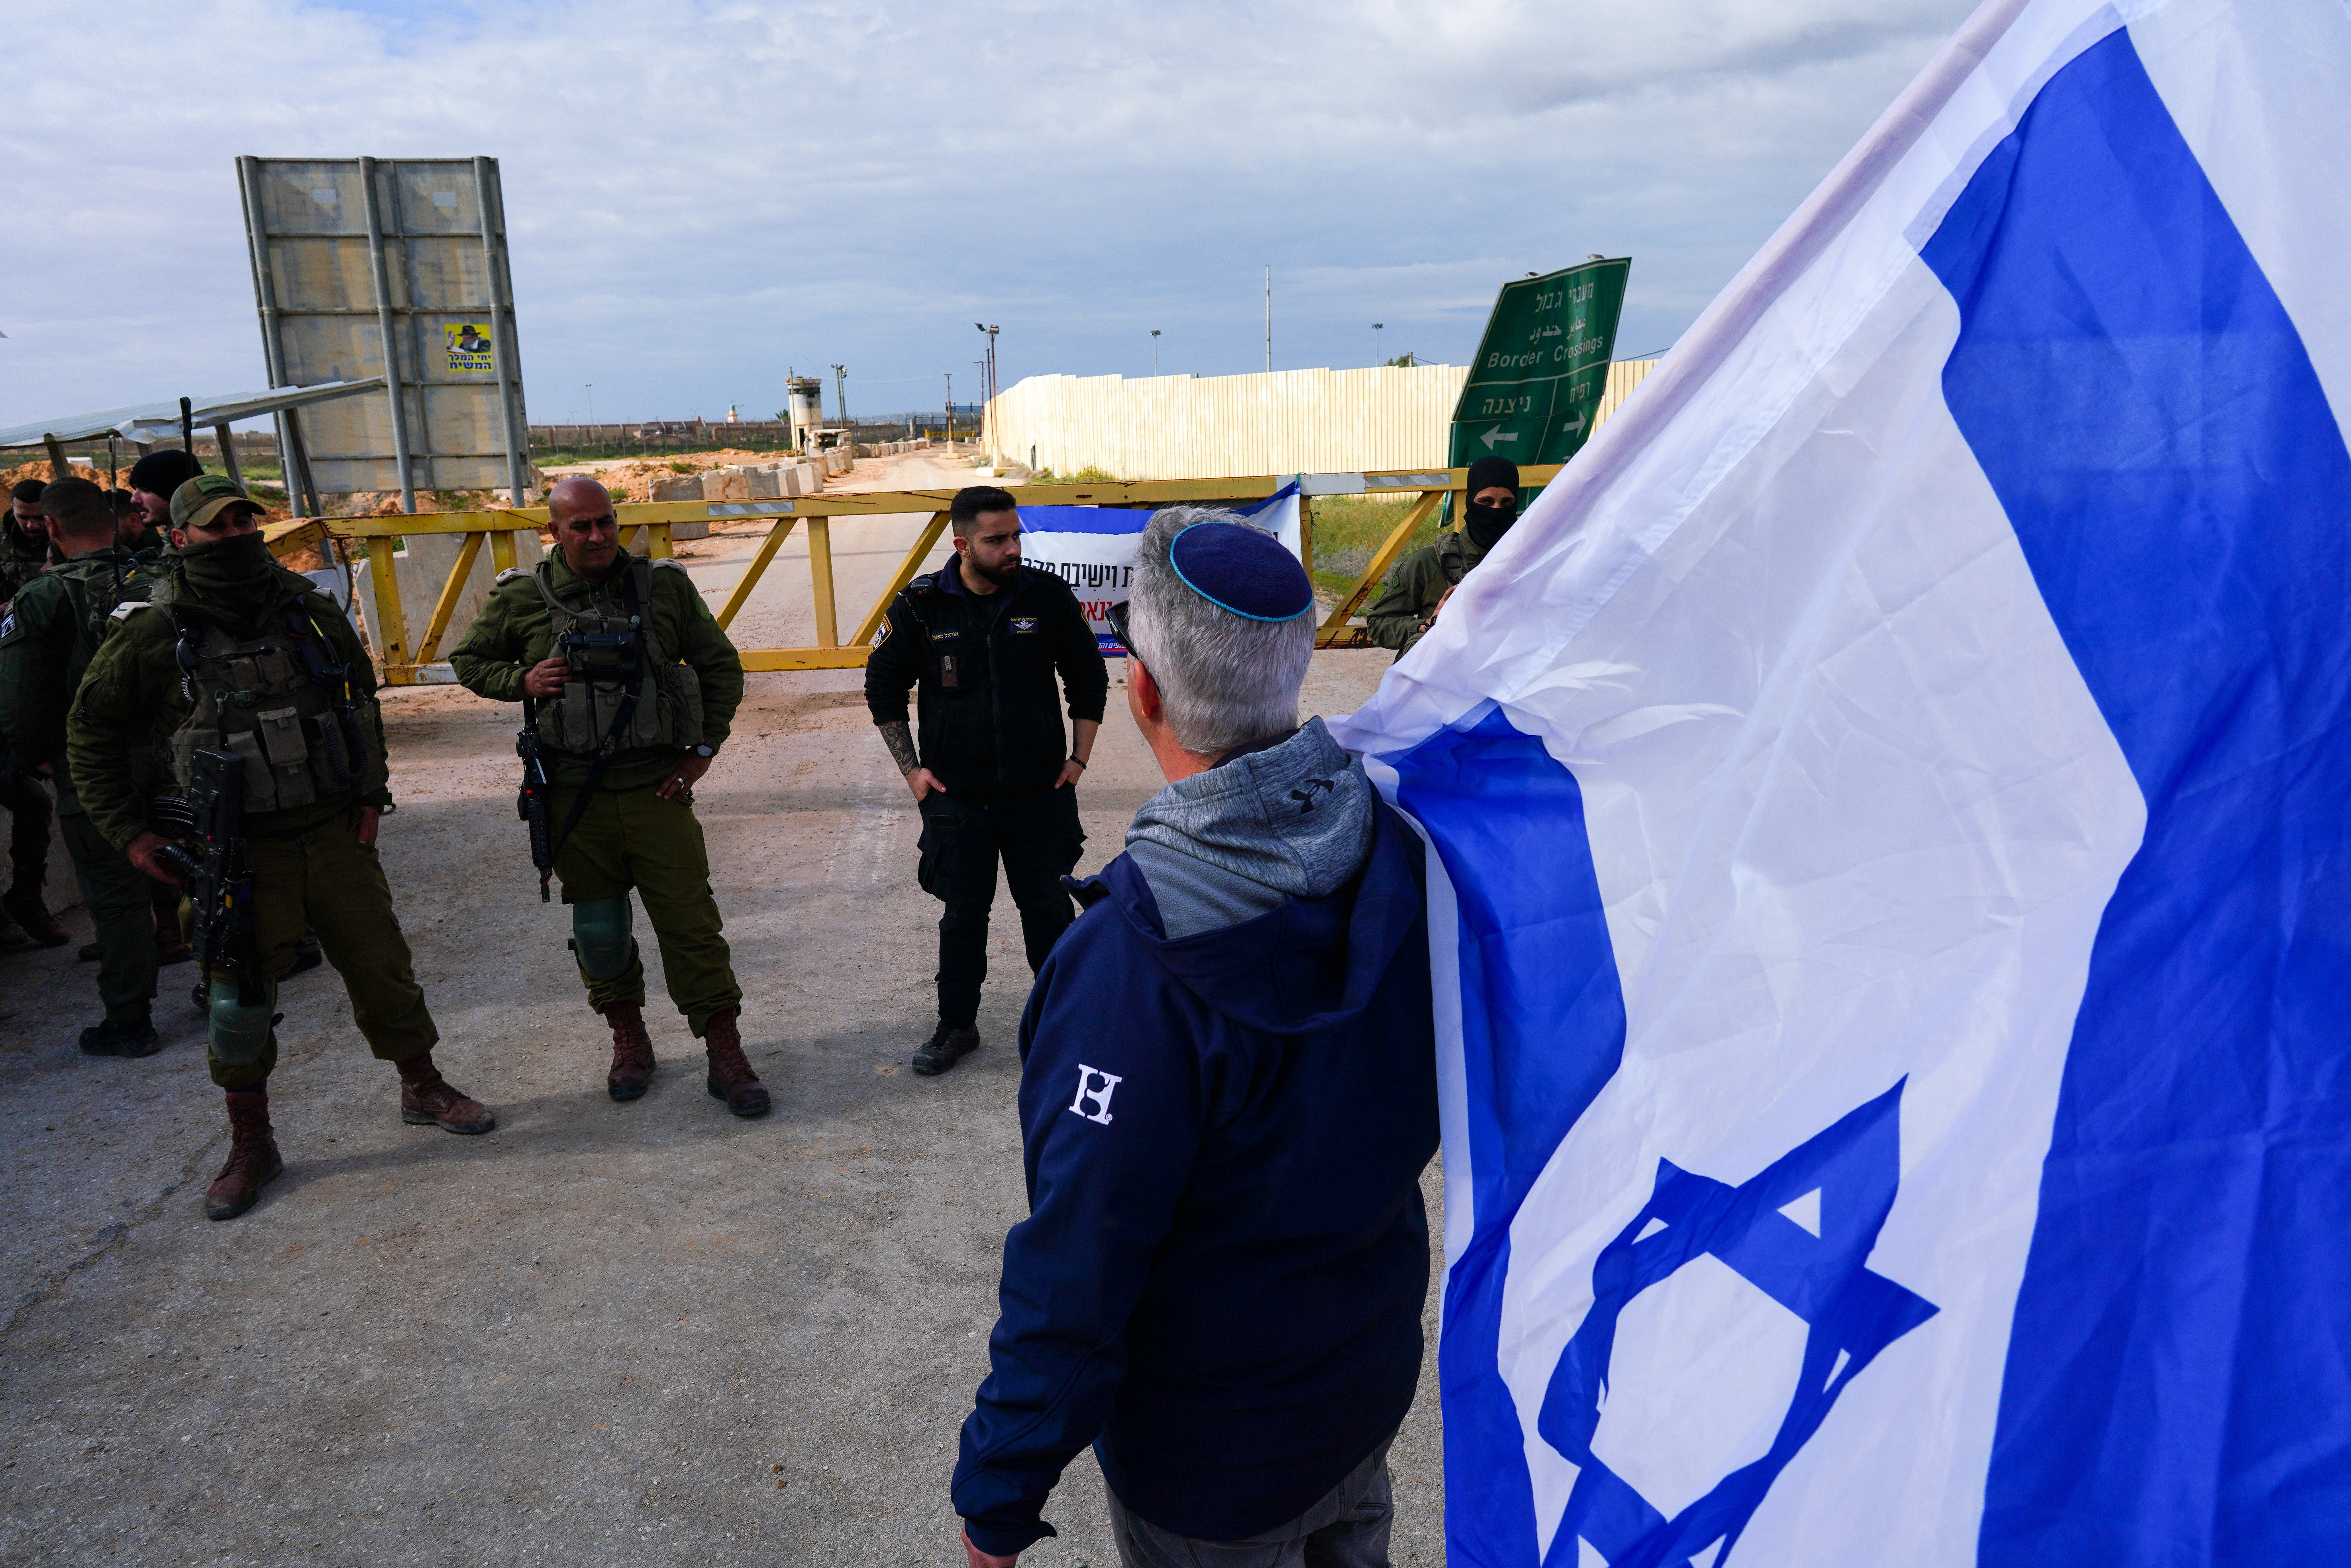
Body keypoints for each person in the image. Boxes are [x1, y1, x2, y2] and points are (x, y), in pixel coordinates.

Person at [950, 509, 1439, 1567]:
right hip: (1363, 1384)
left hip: (1211, 1461)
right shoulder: (1403, 849)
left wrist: (1000, 1485)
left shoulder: (1129, 964)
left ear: (1142, 692)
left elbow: (1079, 1261)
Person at [68, 475, 493, 1221]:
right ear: (179, 538)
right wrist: (130, 836)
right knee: (238, 1002)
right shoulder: (152, 631)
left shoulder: (310, 610)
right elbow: (91, 732)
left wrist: (370, 795)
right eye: (214, 526)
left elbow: (358, 701)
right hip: (238, 854)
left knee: (382, 969)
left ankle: (423, 1087)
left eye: (243, 522)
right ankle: (252, 1142)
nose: (233, 536)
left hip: (331, 832)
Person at [449, 476, 767, 1115]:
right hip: (573, 793)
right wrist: (523, 678)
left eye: (606, 522)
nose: (597, 536)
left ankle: (725, 1053)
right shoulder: (522, 597)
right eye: (580, 526)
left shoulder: (663, 587)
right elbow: (469, 659)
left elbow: (720, 665)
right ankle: (629, 1037)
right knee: (599, 929)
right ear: (554, 531)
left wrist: (701, 751)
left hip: (656, 788)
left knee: (692, 926)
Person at [863, 484, 1107, 1077]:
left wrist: (1078, 761)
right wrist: (914, 772)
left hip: (1039, 795)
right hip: (958, 799)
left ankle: (1062, 1025)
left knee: (1048, 910)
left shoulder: (1046, 597)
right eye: (997, 539)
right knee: (963, 915)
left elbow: (1088, 677)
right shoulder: (920, 607)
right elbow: (882, 689)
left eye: (1017, 535)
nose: (1013, 548)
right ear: (963, 544)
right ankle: (956, 1026)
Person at [0, 479, 165, 1053]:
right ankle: (231, 991)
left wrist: (37, 755)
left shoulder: (41, 600)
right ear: (117, 520)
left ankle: (129, 1019)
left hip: (92, 766)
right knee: (203, 865)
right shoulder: (161, 579)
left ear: (51, 528)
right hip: (179, 752)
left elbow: (20, 701)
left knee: (117, 892)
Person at [1362, 454, 1522, 659]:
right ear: (1470, 502)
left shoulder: (1530, 560)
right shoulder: (1430, 561)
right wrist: (1426, 626)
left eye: (1507, 502)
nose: (1496, 511)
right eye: (1486, 501)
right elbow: (1379, 624)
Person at [125, 449, 201, 556]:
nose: (134, 500)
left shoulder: (204, 549)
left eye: (145, 490)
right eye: (135, 489)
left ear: (175, 492)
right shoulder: (171, 549)